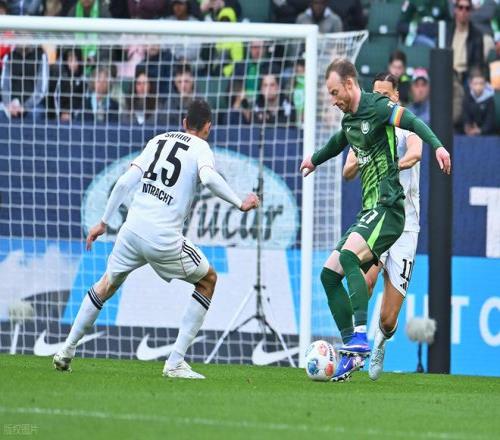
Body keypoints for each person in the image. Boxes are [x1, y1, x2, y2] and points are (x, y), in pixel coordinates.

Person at [53, 99, 260, 378]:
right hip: (162, 237)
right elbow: (210, 179)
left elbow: (124, 182)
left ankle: (66, 349)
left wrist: (103, 222)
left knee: (105, 284)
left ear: (184, 122)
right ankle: (175, 362)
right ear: (208, 127)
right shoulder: (201, 148)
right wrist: (239, 203)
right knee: (208, 280)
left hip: (131, 230)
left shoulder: (157, 140)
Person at [300, 58, 451, 382]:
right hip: (371, 211)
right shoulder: (352, 121)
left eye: (334, 92)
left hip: (394, 212)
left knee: (386, 317)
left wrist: (438, 147)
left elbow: (415, 130)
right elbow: (339, 145)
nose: (333, 100)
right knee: (330, 274)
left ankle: (368, 339)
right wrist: (314, 159)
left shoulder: (383, 111)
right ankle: (353, 347)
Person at [342, 72, 423, 381]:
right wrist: (360, 157)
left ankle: (380, 339)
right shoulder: (367, 126)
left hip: (406, 227)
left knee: (388, 319)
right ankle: (355, 346)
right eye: (375, 94)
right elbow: (347, 171)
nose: (380, 99)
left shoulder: (405, 125)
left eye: (386, 95)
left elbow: (416, 153)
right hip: (378, 219)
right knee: (365, 281)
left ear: (396, 97)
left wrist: (393, 164)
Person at [462, 67, 496, 135]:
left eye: (481, 83)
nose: (478, 86)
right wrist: (467, 126)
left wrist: (480, 130)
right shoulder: (467, 98)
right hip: (470, 133)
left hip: (487, 134)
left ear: (485, 84)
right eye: (475, 83)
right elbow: (465, 116)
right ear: (470, 84)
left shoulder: (490, 99)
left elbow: (490, 120)